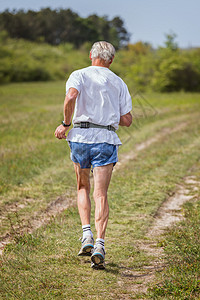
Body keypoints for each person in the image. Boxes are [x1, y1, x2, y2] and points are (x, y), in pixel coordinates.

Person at [54, 41, 132, 269]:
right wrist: (107, 113)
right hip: (105, 139)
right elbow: (127, 120)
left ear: (91, 55)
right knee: (101, 194)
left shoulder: (78, 74)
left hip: (80, 138)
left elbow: (70, 98)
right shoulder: (118, 82)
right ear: (111, 60)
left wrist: (65, 124)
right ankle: (99, 244)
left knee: (82, 187)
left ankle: (86, 234)